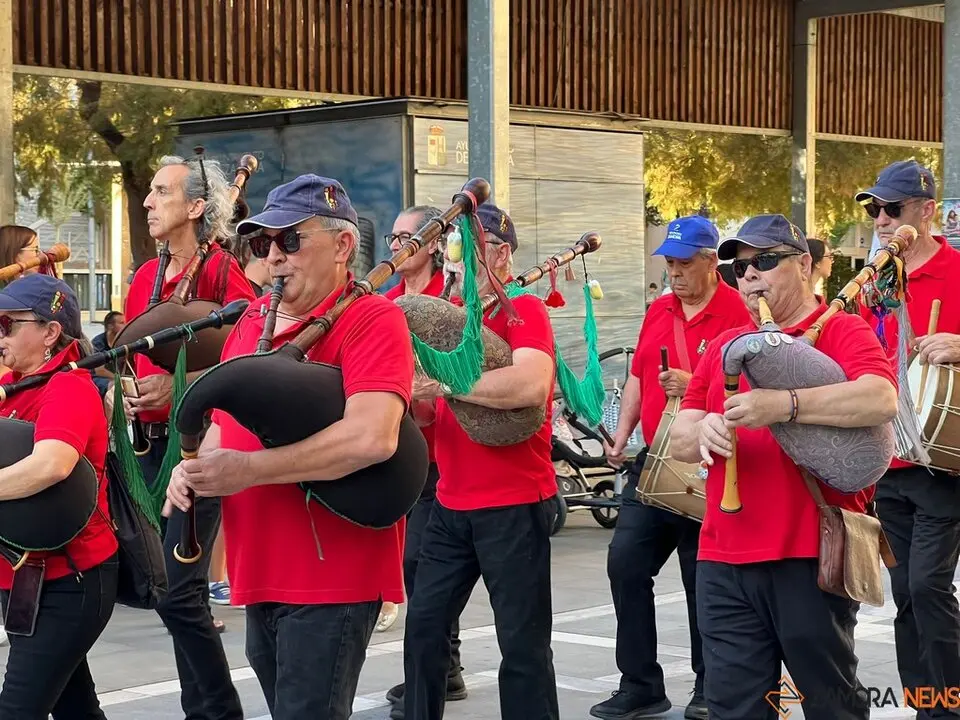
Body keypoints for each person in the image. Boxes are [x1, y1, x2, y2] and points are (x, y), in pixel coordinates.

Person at [164, 174, 413, 720]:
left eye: (291, 241)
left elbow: (372, 436)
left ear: (343, 246)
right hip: (260, 568)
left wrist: (249, 470)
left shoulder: (375, 318)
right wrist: (195, 468)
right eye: (262, 244)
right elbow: (226, 420)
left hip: (331, 573)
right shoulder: (254, 316)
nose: (274, 257)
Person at [669, 214, 898, 720]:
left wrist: (784, 405)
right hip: (723, 555)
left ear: (805, 266)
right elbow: (679, 438)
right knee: (734, 708)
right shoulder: (725, 345)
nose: (749, 276)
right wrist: (704, 428)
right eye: (739, 268)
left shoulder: (842, 328)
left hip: (809, 553)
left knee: (831, 704)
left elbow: (880, 399)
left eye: (764, 261)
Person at [106, 153, 253, 720]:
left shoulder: (223, 273)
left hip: (198, 444)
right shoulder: (147, 275)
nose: (147, 200)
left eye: (162, 192)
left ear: (196, 207)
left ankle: (217, 710)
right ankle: (208, 708)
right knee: (167, 591)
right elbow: (137, 356)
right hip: (144, 449)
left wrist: (180, 384)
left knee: (181, 591)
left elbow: (246, 359)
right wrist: (127, 389)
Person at [402, 202, 560, 720]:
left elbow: (530, 384)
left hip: (514, 504)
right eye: (453, 252)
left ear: (503, 256)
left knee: (522, 646)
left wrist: (444, 382)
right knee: (423, 631)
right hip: (450, 502)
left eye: (470, 252)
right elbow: (429, 413)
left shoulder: (523, 311)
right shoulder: (450, 317)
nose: (456, 263)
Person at [590, 216, 751, 720]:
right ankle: (640, 683)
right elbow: (639, 374)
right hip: (655, 459)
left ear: (711, 262)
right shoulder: (658, 308)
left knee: (702, 578)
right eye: (669, 262)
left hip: (712, 462)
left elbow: (753, 388)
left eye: (684, 263)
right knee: (625, 564)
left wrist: (697, 380)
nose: (675, 272)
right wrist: (622, 432)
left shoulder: (739, 313)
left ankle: (710, 686)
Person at [855, 160, 960, 718]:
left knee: (927, 588)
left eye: (892, 208)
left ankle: (948, 704)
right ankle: (927, 704)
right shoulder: (874, 281)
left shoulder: (957, 269)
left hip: (942, 461)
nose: (880, 219)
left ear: (925, 212)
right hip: (887, 458)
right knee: (905, 597)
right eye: (874, 209)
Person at [0, 274, 119, 718]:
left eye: (9, 324)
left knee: (17, 710)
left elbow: (52, 464)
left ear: (50, 332)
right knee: (75, 709)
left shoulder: (67, 386)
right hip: (27, 579)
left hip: (70, 580)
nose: (1, 333)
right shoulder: (13, 384)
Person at [381, 205, 467, 717]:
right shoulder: (384, 301)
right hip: (395, 450)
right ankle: (444, 666)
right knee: (411, 566)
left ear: (434, 243)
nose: (394, 247)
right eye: (391, 238)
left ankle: (441, 668)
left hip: (440, 455)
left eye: (405, 238)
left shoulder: (451, 301)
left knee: (422, 562)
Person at [90, 311, 125, 398]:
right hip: (96, 377)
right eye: (121, 323)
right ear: (110, 326)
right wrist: (120, 379)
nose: (126, 325)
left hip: (115, 377)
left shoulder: (122, 341)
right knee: (113, 387)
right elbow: (99, 370)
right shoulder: (98, 343)